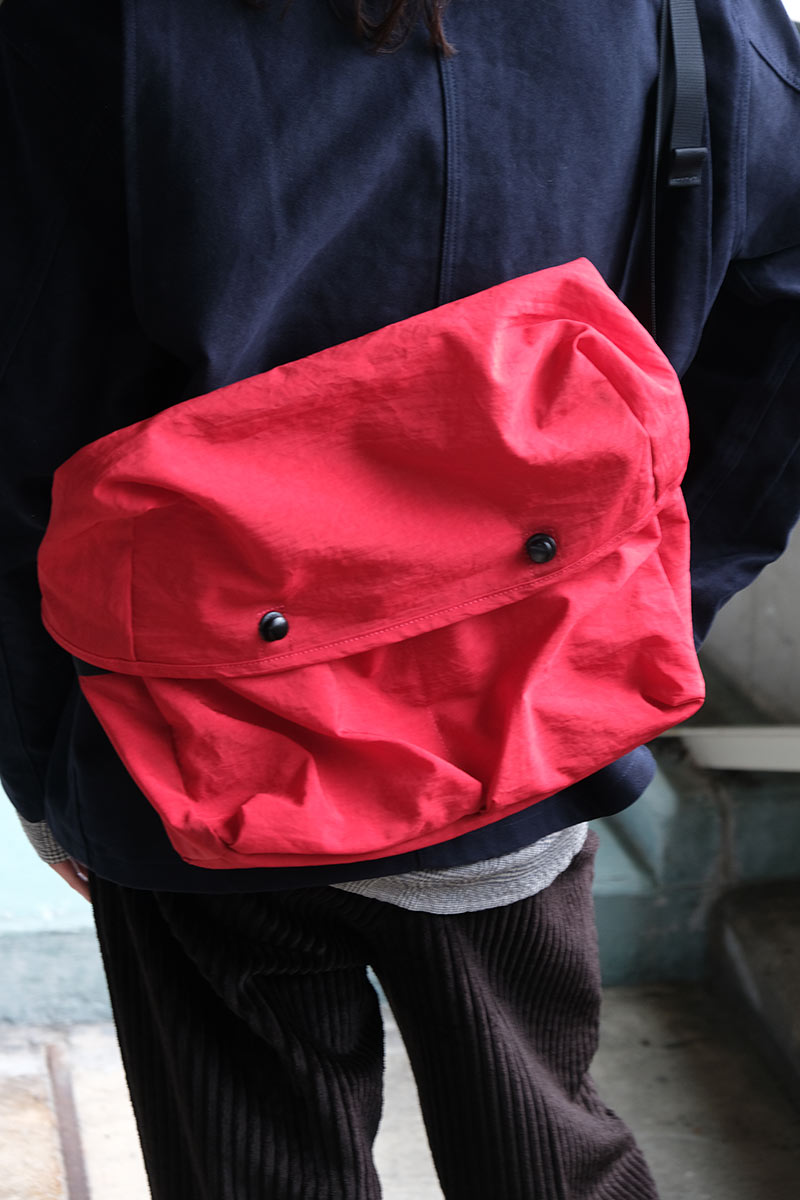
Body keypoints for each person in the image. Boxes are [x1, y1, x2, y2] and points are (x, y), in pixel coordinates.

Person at [2, 0, 800, 1196]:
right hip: (521, 710)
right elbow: (781, 305)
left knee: (247, 1167)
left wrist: (43, 761)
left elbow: (23, 412)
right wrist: (649, 604)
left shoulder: (82, 29)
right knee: (544, 1151)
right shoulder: (685, 13)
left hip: (188, 737)